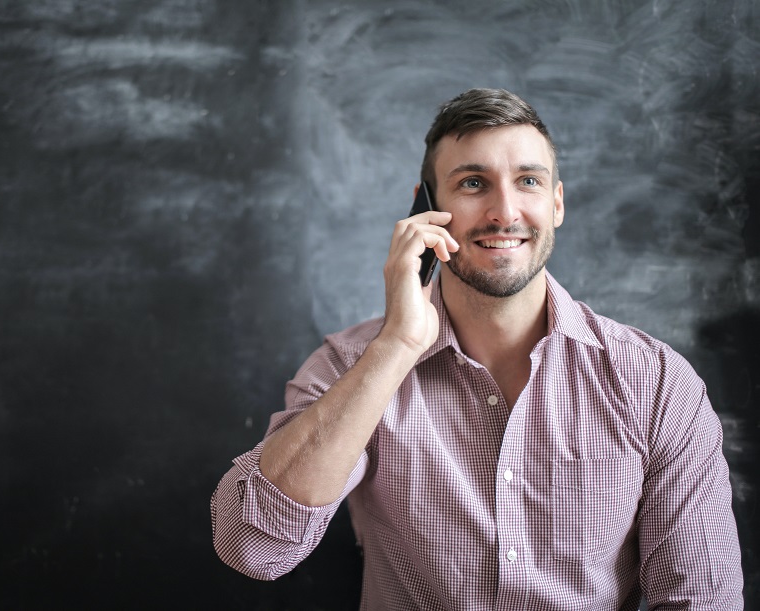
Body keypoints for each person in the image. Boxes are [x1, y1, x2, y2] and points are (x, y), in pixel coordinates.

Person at [210, 88, 743, 609]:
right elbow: (254, 548)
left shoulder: (657, 383)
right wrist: (397, 345)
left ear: (556, 203)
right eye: (472, 183)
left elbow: (701, 600)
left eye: (528, 181)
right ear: (426, 207)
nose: (503, 212)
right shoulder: (353, 366)